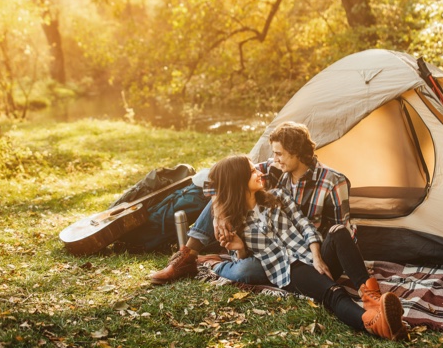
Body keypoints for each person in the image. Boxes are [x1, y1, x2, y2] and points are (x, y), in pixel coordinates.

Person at [205, 154, 406, 340]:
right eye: (252, 171)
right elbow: (242, 263)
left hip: (312, 257)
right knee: (334, 293)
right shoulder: (233, 221)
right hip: (289, 271)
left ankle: (373, 300)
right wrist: (240, 247)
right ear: (238, 180)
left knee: (338, 231)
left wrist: (317, 255)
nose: (260, 173)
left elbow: (304, 224)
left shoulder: (277, 196)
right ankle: (375, 324)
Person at [149, 121, 350, 285]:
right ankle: (186, 258)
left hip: (304, 250)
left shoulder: (332, 182)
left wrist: (311, 255)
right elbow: (218, 182)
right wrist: (219, 211)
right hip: (262, 244)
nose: (274, 159)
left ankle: (214, 263)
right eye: (274, 154)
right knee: (224, 195)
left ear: (296, 151)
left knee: (249, 270)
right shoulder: (274, 168)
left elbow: (340, 232)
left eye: (278, 153)